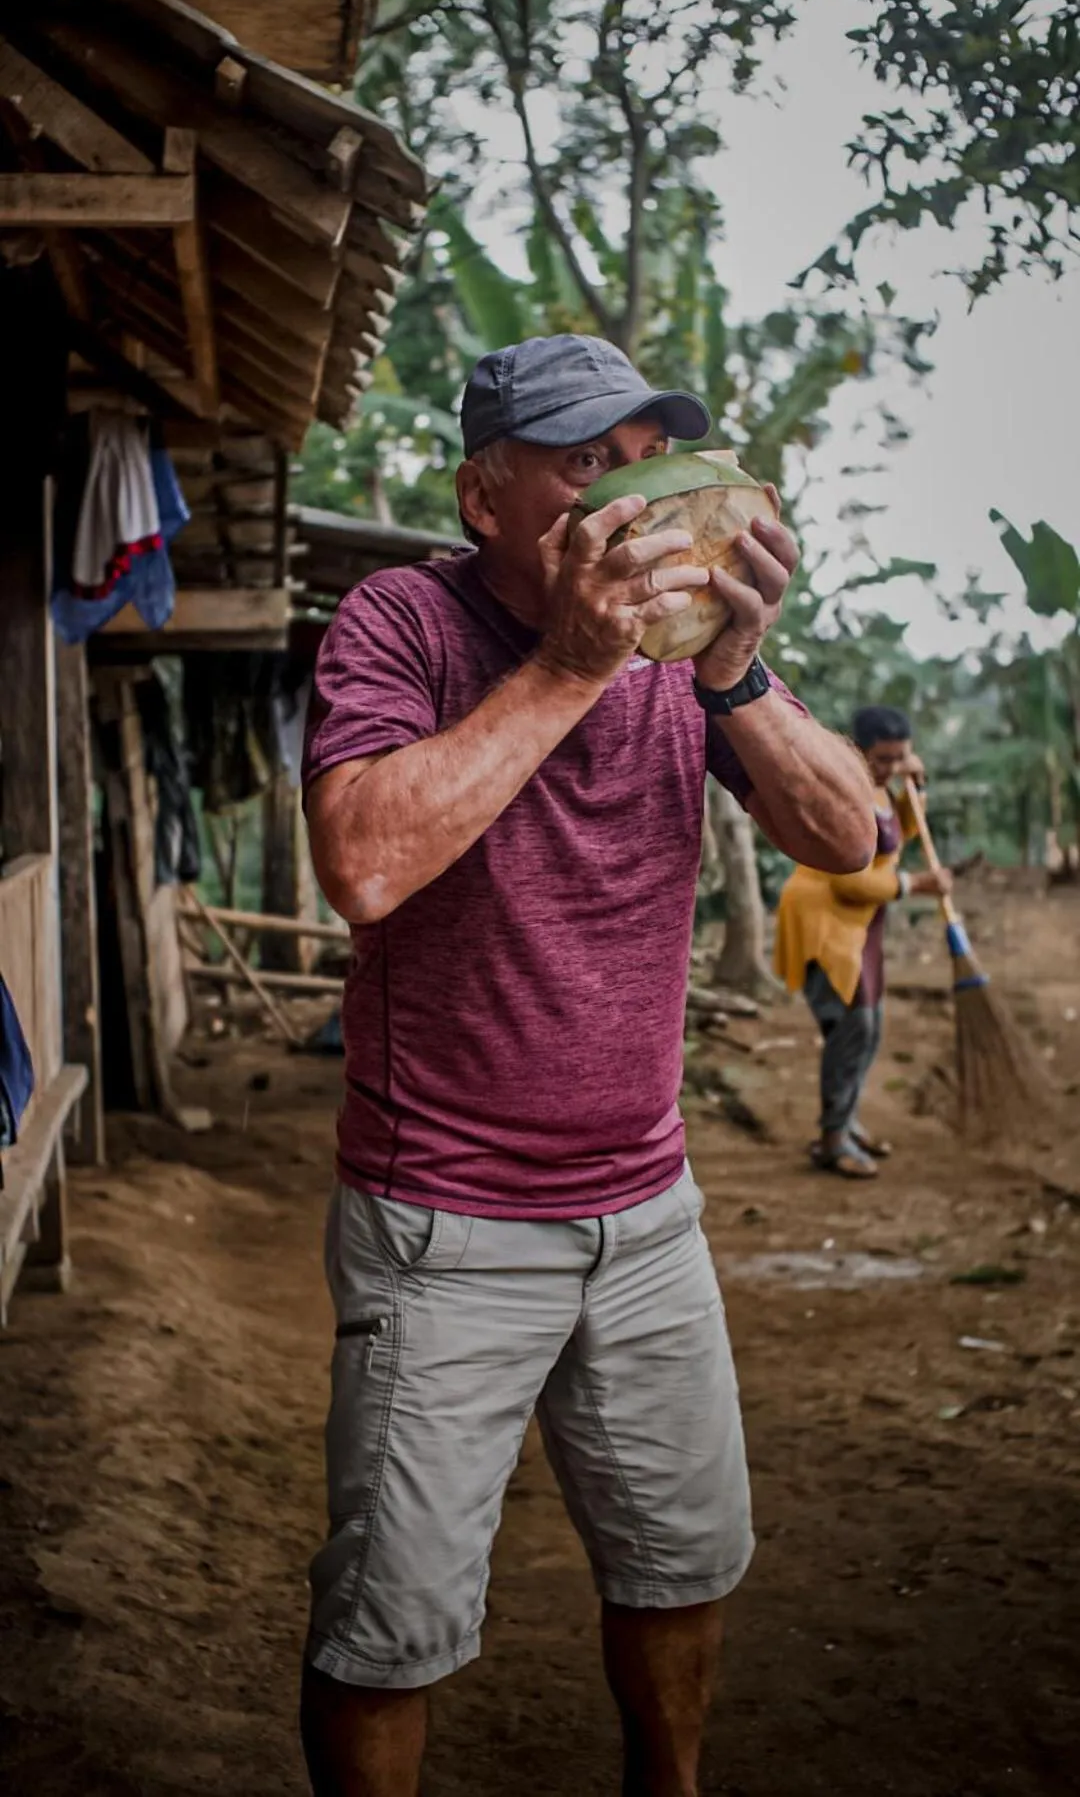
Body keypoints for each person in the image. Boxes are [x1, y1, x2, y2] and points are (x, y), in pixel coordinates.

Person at [300, 333, 876, 1797]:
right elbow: (364, 867)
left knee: (683, 1559)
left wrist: (738, 670)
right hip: (442, 1219)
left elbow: (851, 834)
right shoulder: (401, 620)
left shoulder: (693, 652)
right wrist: (572, 658)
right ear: (482, 496)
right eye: (581, 466)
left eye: (642, 459)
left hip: (647, 1210)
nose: (630, 496)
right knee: (392, 1626)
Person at [774, 703, 953, 1180]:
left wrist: (918, 786)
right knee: (853, 1029)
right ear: (859, 751)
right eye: (883, 760)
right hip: (827, 925)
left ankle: (846, 1122)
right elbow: (850, 879)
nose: (891, 768)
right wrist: (917, 886)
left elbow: (901, 832)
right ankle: (833, 1139)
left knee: (868, 1028)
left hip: (860, 925)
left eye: (900, 758)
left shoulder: (880, 788)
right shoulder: (847, 790)